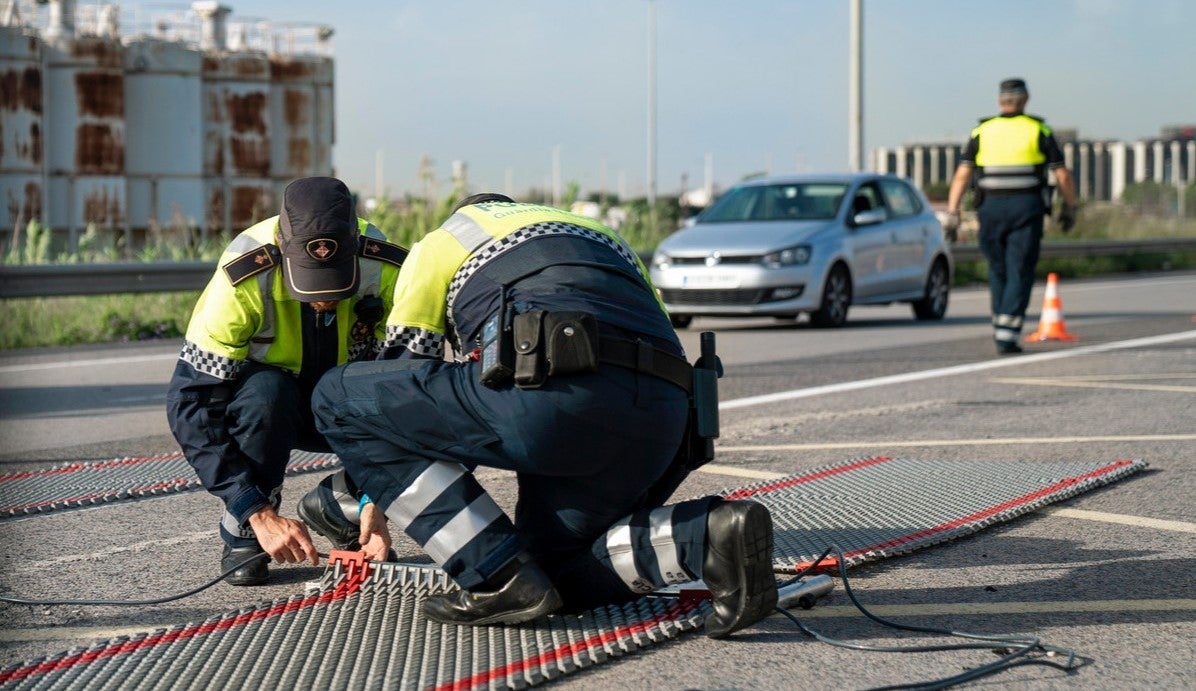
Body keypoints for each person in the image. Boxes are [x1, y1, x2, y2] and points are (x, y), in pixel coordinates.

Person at [304, 193, 778, 638]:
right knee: (556, 581)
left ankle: (493, 574)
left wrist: (376, 497)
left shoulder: (446, 239)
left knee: (338, 398)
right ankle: (706, 534)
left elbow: (399, 385)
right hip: (663, 422)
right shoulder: (602, 238)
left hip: (552, 399)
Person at [166, 176, 407, 585]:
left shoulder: (386, 268)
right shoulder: (243, 275)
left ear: (354, 248)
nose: (325, 298)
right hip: (268, 409)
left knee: (416, 396)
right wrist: (252, 508)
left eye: (336, 282)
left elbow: (407, 390)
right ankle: (248, 528)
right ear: (282, 247)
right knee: (266, 393)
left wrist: (380, 498)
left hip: (345, 401)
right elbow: (192, 406)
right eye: (312, 282)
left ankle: (342, 503)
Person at [944, 77, 1077, 355]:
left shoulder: (982, 131)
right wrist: (1069, 207)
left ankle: (1001, 326)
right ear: (1025, 100)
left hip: (990, 210)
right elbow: (1062, 173)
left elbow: (962, 175)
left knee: (998, 268)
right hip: (1026, 210)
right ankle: (1006, 334)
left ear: (999, 101)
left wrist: (953, 213)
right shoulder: (1038, 129)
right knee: (1020, 269)